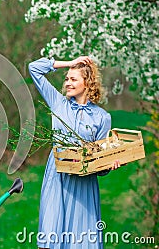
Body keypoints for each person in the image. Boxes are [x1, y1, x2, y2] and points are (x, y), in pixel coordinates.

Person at [28, 56, 120, 249]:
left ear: (87, 83)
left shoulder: (102, 117)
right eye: (67, 79)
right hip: (57, 179)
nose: (68, 83)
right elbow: (34, 68)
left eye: (73, 79)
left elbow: (100, 159)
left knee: (81, 240)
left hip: (84, 185)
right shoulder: (58, 103)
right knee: (51, 238)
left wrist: (109, 166)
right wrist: (70, 63)